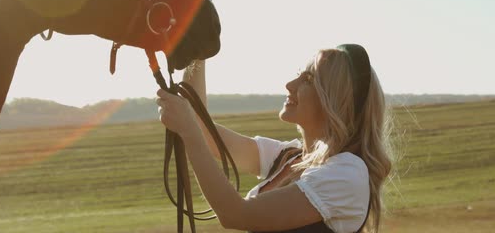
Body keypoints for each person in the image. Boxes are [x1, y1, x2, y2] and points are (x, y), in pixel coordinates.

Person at [155, 44, 393, 233]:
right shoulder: (289, 156)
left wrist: (188, 130)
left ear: (336, 101)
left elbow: (235, 214)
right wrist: (199, 51)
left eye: (308, 80)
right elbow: (203, 131)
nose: (290, 85)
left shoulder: (347, 173)